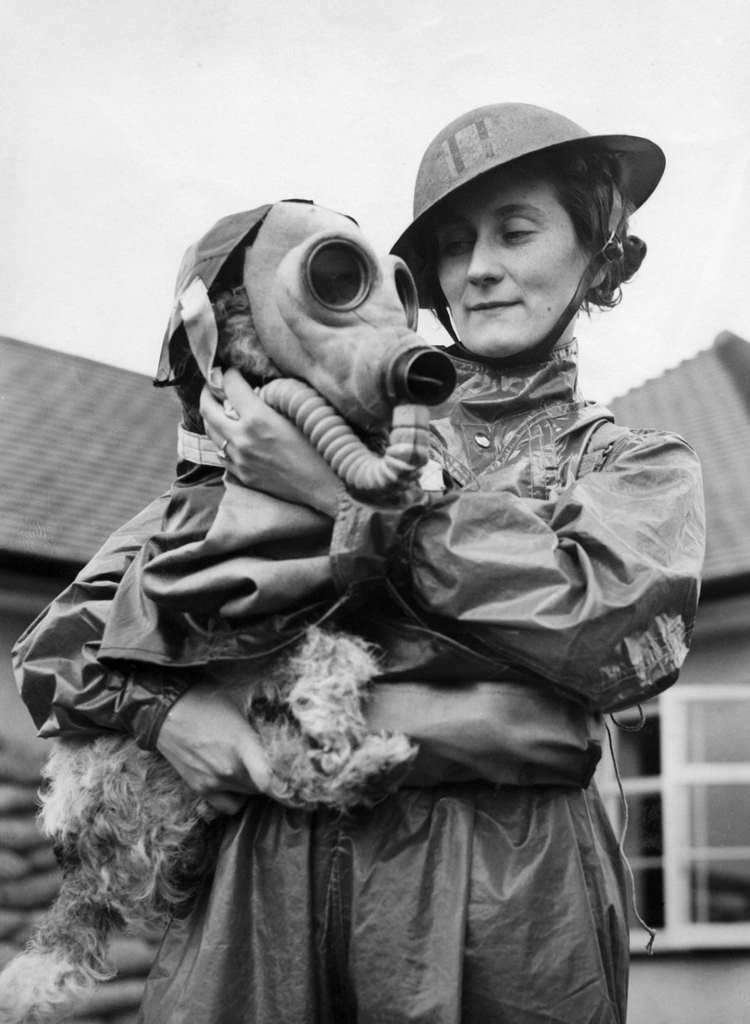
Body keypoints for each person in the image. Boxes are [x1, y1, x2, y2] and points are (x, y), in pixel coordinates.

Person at [13, 104, 705, 1023]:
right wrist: (171, 711)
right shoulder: (309, 422)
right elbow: (63, 642)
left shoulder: (634, 467)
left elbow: (607, 632)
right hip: (261, 905)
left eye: (516, 231)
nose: (481, 268)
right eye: (453, 246)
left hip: (503, 903)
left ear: (603, 257)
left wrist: (347, 504)